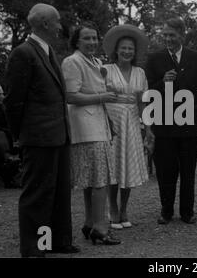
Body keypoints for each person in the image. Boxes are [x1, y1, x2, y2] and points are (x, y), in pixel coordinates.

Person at [4, 3, 79, 257]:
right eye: (57, 22)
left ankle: (58, 240)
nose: (60, 27)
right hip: (38, 138)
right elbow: (14, 101)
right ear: (45, 24)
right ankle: (35, 248)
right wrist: (21, 136)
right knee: (37, 195)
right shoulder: (23, 53)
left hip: (58, 135)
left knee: (59, 192)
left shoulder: (47, 52)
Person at [61, 22, 121, 245]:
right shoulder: (72, 62)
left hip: (98, 124)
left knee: (93, 179)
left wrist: (108, 117)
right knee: (99, 180)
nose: (92, 42)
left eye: (95, 38)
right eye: (87, 38)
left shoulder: (95, 62)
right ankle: (100, 228)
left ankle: (90, 223)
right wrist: (102, 97)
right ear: (77, 41)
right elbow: (71, 96)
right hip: (85, 127)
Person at [145, 18, 197, 225]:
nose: (168, 39)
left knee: (188, 171)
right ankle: (166, 211)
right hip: (163, 126)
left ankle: (187, 212)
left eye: (172, 35)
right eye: (165, 35)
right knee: (165, 171)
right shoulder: (154, 59)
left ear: (182, 34)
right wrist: (163, 83)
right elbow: (148, 92)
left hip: (189, 124)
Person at [101, 24, 153, 229]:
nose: (126, 51)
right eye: (123, 48)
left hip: (131, 121)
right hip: (111, 121)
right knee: (114, 167)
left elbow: (143, 103)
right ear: (116, 49)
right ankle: (112, 209)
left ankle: (124, 210)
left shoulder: (140, 72)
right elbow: (99, 97)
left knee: (128, 167)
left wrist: (148, 128)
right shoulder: (106, 70)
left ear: (135, 52)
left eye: (130, 48)